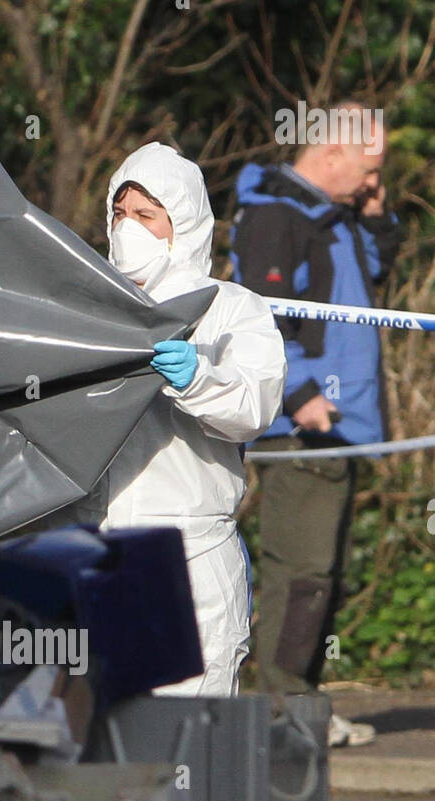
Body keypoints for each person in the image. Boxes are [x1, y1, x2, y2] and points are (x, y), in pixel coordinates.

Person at [230, 103, 401, 744]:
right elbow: (261, 311)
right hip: (306, 420)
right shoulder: (277, 213)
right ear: (331, 155)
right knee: (300, 568)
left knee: (323, 570)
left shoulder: (337, 218)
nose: (369, 183)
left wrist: (376, 213)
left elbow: (373, 276)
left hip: (343, 421)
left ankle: (300, 699)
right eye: (366, 169)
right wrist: (300, 391)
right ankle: (278, 709)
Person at [97, 142, 287, 696]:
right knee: (105, 756)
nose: (127, 228)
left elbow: (255, 405)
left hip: (188, 559)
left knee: (189, 749)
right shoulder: (86, 307)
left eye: (145, 215)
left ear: (182, 224)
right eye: (119, 213)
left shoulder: (231, 308)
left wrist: (198, 378)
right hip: (99, 556)